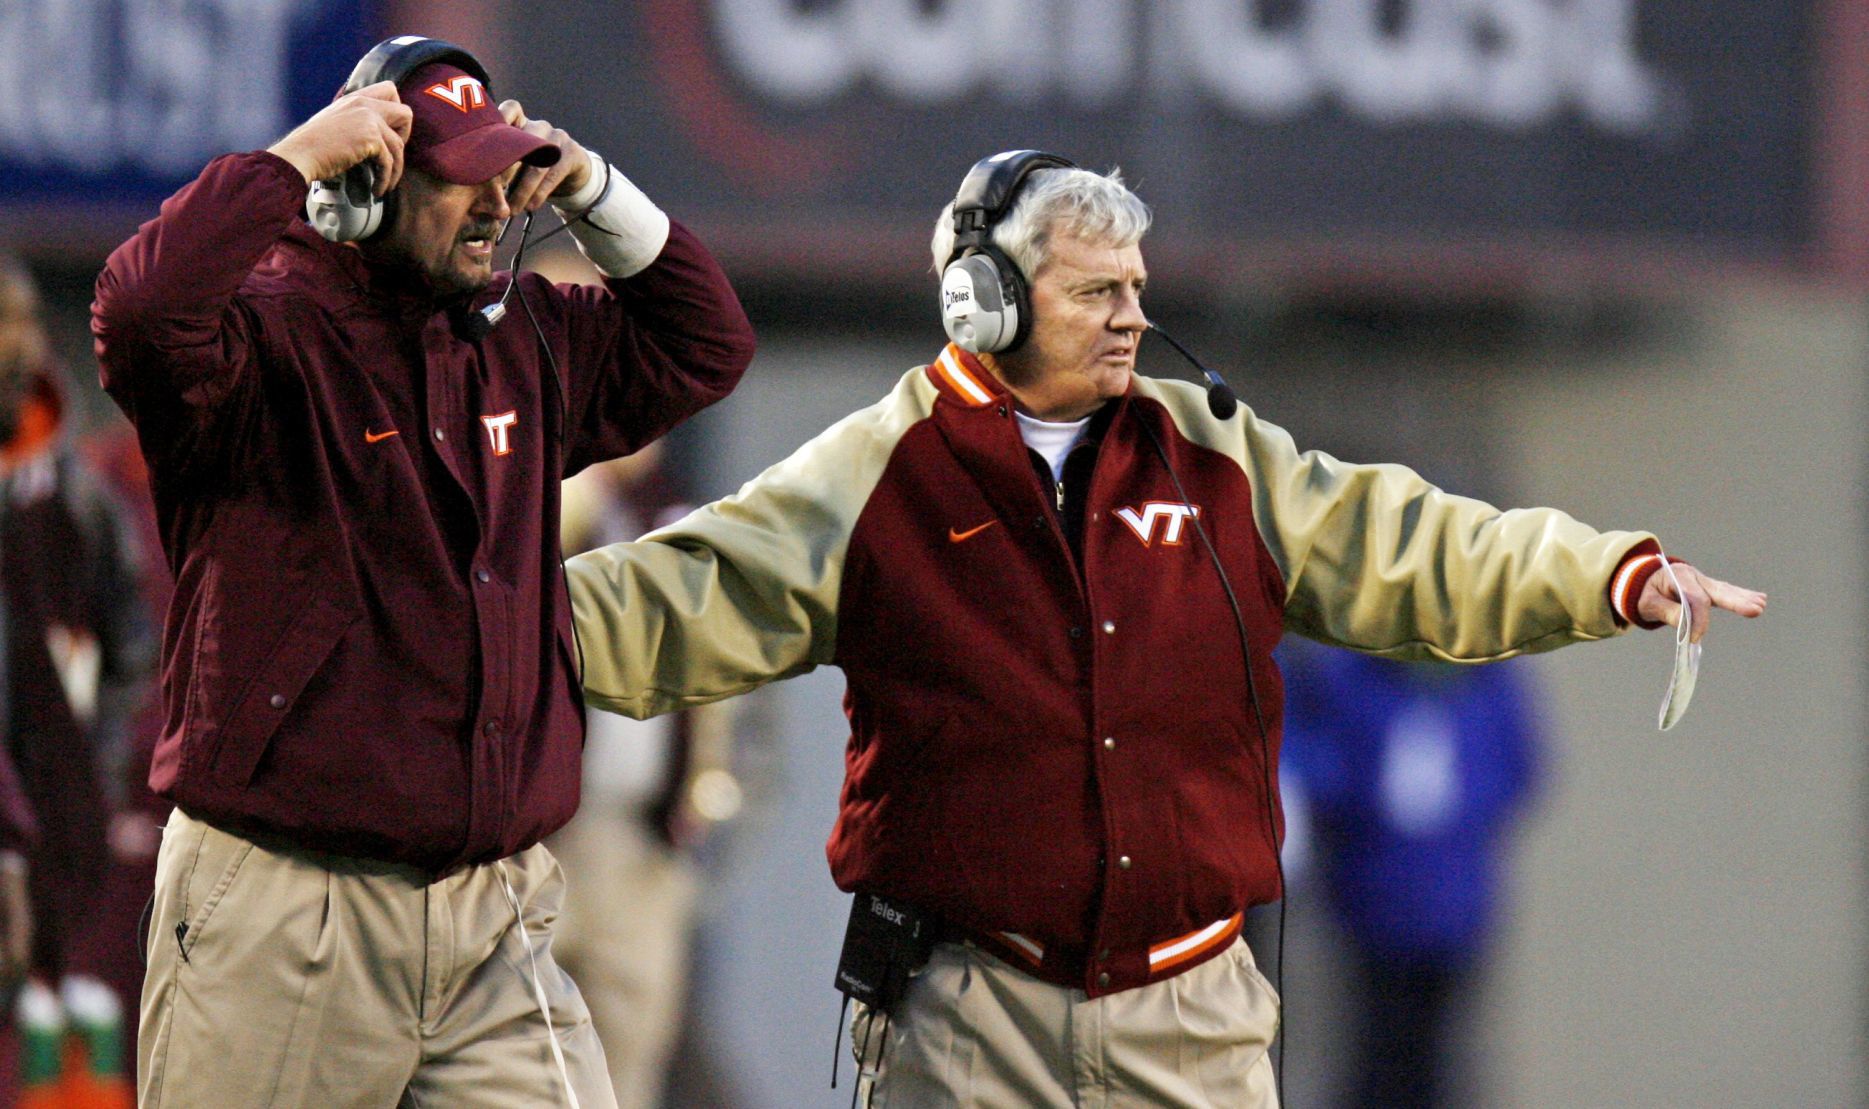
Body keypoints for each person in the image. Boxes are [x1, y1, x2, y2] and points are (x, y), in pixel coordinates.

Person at [562, 150, 1766, 1107]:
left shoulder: (1217, 450)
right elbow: (676, 596)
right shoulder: (878, 473)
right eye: (1096, 290)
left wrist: (1610, 572)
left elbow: (1409, 542)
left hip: (1197, 1019)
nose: (1132, 315)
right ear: (985, 302)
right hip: (970, 1013)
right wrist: (456, 618)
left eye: (1137, 286)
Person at [90, 34, 754, 1108]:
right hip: (289, 903)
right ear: (371, 183)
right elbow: (138, 310)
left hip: (495, 909)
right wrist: (295, 160)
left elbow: (706, 341)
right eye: (460, 180)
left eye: (505, 175)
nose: (493, 204)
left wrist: (591, 186)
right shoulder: (266, 332)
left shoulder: (522, 335)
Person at [548, 440, 755, 1109]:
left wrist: (704, 829)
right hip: (537, 841)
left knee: (630, 1049)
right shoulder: (548, 509)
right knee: (514, 1051)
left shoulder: (682, 523)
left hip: (641, 839)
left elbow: (740, 706)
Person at [2, 252, 152, 1108]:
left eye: (24, 323)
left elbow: (130, 642)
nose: (18, 346)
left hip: (49, 819)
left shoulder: (74, 492)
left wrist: (90, 775)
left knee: (71, 1045)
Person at [1278, 638, 1542, 1107]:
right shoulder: (1350, 675)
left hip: (1456, 911)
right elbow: (1325, 772)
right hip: (1367, 906)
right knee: (1370, 1057)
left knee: (1441, 1062)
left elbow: (1519, 772)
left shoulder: (1490, 680)